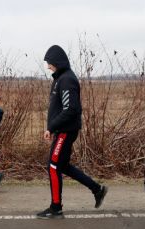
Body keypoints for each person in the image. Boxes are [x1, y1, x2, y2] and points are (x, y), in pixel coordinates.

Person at [36, 45, 108, 219]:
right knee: (62, 166)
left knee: (53, 167)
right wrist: (52, 127)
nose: (48, 66)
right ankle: (97, 189)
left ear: (57, 62)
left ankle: (56, 208)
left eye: (49, 63)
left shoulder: (67, 80)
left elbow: (71, 109)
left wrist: (52, 127)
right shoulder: (60, 78)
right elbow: (58, 107)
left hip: (66, 131)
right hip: (62, 130)